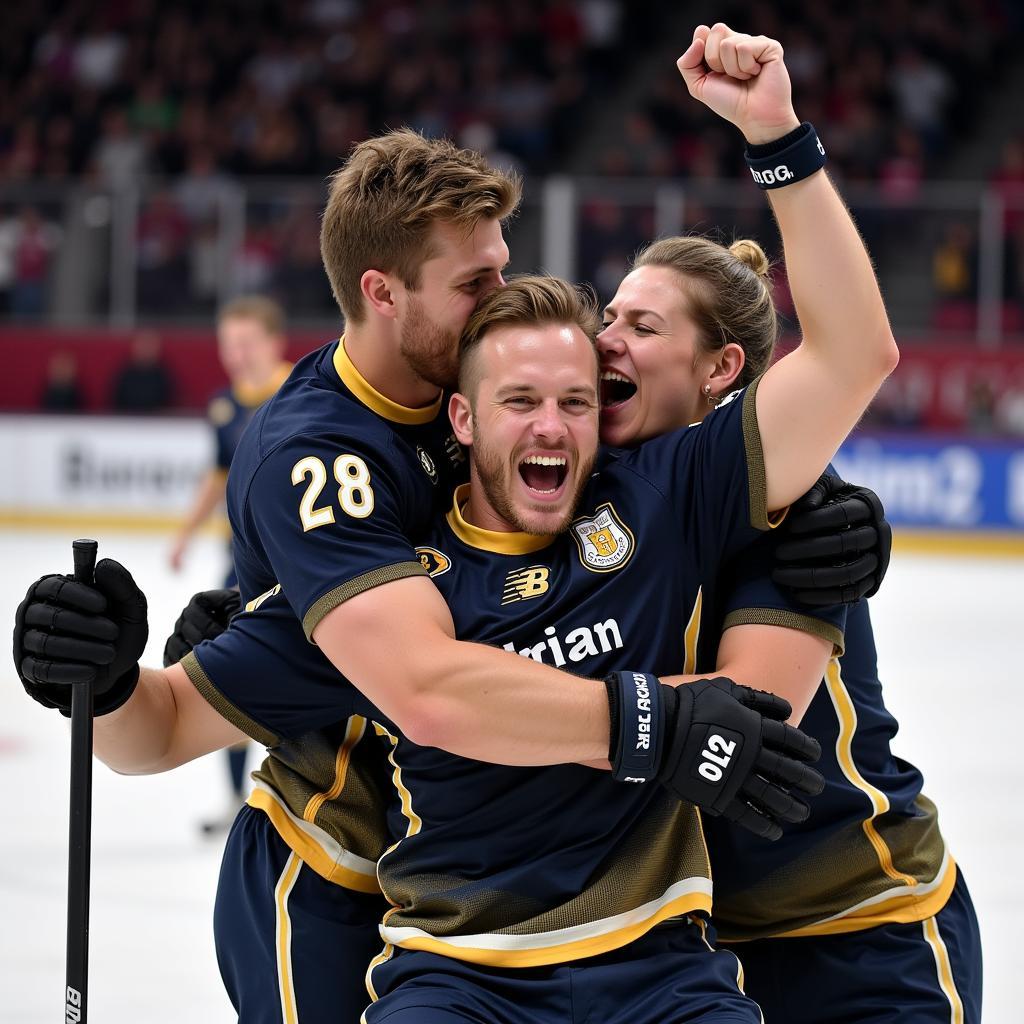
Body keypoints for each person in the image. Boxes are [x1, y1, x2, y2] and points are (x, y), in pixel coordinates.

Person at [13, 23, 900, 1021]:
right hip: (348, 865)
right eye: (475, 290)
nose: (554, 418)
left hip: (629, 948)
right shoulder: (320, 459)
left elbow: (833, 366)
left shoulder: (593, 461)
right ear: (390, 304)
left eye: (574, 398)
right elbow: (384, 692)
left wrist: (801, 506)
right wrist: (99, 676)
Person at [596, 234, 982, 1021]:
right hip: (699, 952)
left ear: (721, 370)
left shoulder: (790, 496)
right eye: (608, 316)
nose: (607, 338)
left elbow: (743, 721)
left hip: (862, 925)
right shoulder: (578, 488)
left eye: (642, 326)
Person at [168, 294, 292, 835]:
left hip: (296, 561)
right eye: (228, 345)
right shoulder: (223, 406)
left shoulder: (301, 393)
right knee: (230, 670)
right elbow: (216, 477)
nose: (236, 355)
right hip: (241, 564)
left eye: (246, 344)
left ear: (273, 342)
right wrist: (184, 536)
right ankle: (233, 797)